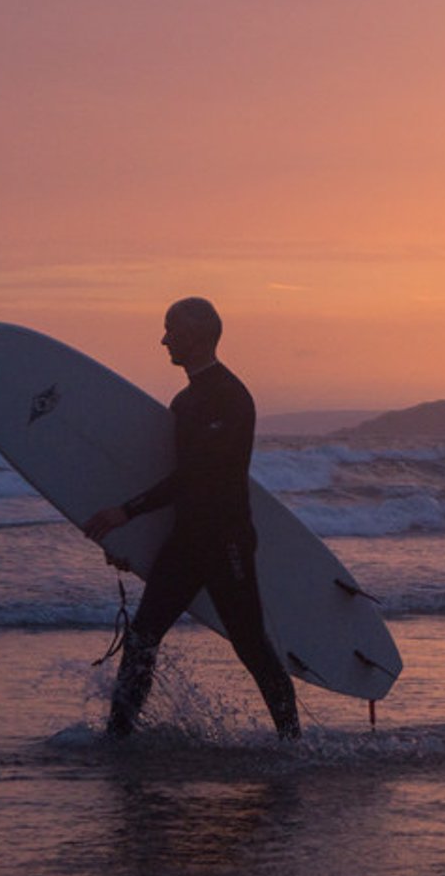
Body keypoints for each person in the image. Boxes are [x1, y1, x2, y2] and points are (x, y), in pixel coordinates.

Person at [82, 298, 301, 741]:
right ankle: (119, 737)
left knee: (251, 645)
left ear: (199, 336)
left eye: (171, 330)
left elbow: (201, 475)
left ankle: (292, 742)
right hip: (187, 540)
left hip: (225, 542)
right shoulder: (184, 401)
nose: (163, 339)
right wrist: (134, 541)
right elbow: (172, 477)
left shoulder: (228, 396)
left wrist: (127, 512)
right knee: (142, 638)